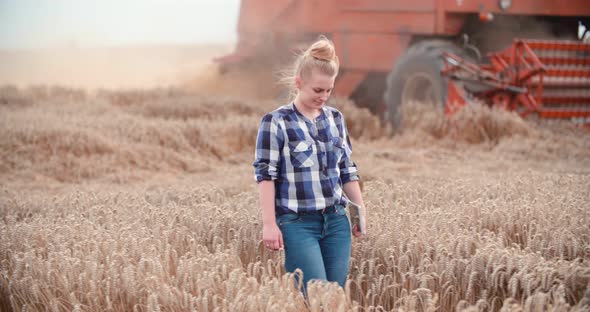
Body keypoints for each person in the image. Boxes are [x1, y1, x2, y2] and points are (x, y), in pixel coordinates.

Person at [252, 36, 366, 295]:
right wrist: (269, 224)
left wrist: (360, 212)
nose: (324, 96)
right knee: (316, 297)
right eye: (317, 90)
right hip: (298, 224)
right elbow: (265, 175)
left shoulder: (335, 118)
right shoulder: (276, 122)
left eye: (328, 90)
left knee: (334, 298)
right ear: (299, 83)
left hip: (337, 221)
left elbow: (347, 168)